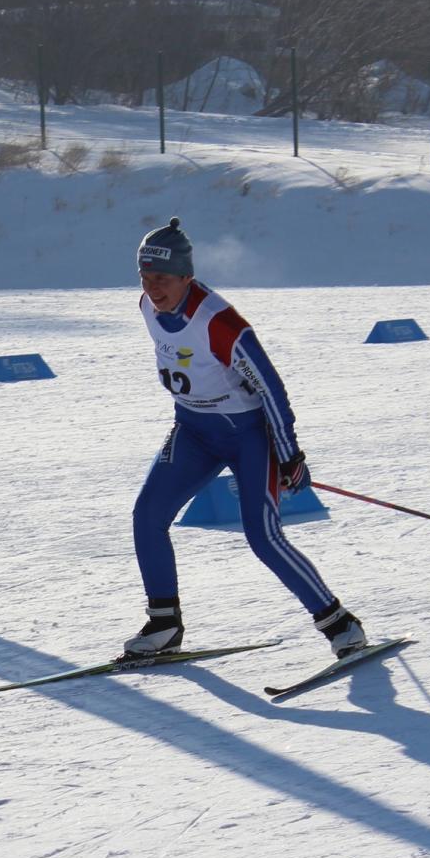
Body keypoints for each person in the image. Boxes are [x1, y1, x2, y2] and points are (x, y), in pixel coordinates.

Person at [125, 216, 365, 660]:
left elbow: (270, 387)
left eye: (161, 278)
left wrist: (289, 455)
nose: (152, 288)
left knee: (262, 536)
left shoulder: (220, 323)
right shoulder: (146, 305)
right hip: (193, 430)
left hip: (247, 436)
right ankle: (164, 623)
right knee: (147, 515)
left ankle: (338, 622)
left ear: (186, 276)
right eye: (144, 277)